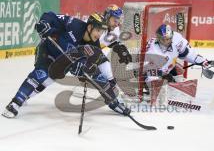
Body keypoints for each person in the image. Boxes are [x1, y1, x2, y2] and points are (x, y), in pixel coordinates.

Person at [2, 11, 131, 118]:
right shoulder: (73, 24)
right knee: (41, 75)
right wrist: (44, 24)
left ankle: (114, 102)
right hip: (48, 51)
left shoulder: (94, 46)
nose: (99, 34)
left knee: (50, 80)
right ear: (89, 27)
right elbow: (49, 15)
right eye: (97, 30)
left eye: (102, 32)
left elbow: (92, 68)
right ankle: (15, 102)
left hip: (64, 63)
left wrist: (84, 71)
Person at [144, 24, 214, 105]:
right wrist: (157, 91)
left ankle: (174, 88)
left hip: (165, 68)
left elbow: (188, 54)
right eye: (164, 39)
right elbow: (151, 73)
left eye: (168, 39)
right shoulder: (152, 51)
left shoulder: (177, 39)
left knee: (179, 69)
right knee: (158, 86)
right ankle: (158, 91)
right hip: (147, 72)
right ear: (158, 38)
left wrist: (203, 62)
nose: (167, 42)